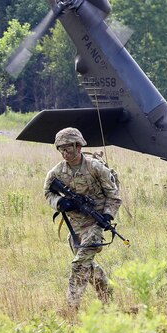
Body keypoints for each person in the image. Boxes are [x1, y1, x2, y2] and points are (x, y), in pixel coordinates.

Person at [44, 127, 122, 311]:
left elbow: (114, 195)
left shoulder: (95, 168)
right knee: (88, 265)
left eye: (68, 149)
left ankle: (72, 308)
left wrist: (107, 215)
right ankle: (107, 296)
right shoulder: (56, 173)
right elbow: (48, 193)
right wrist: (61, 203)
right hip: (75, 226)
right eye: (61, 149)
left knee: (79, 265)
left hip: (95, 223)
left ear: (78, 147)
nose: (64, 153)